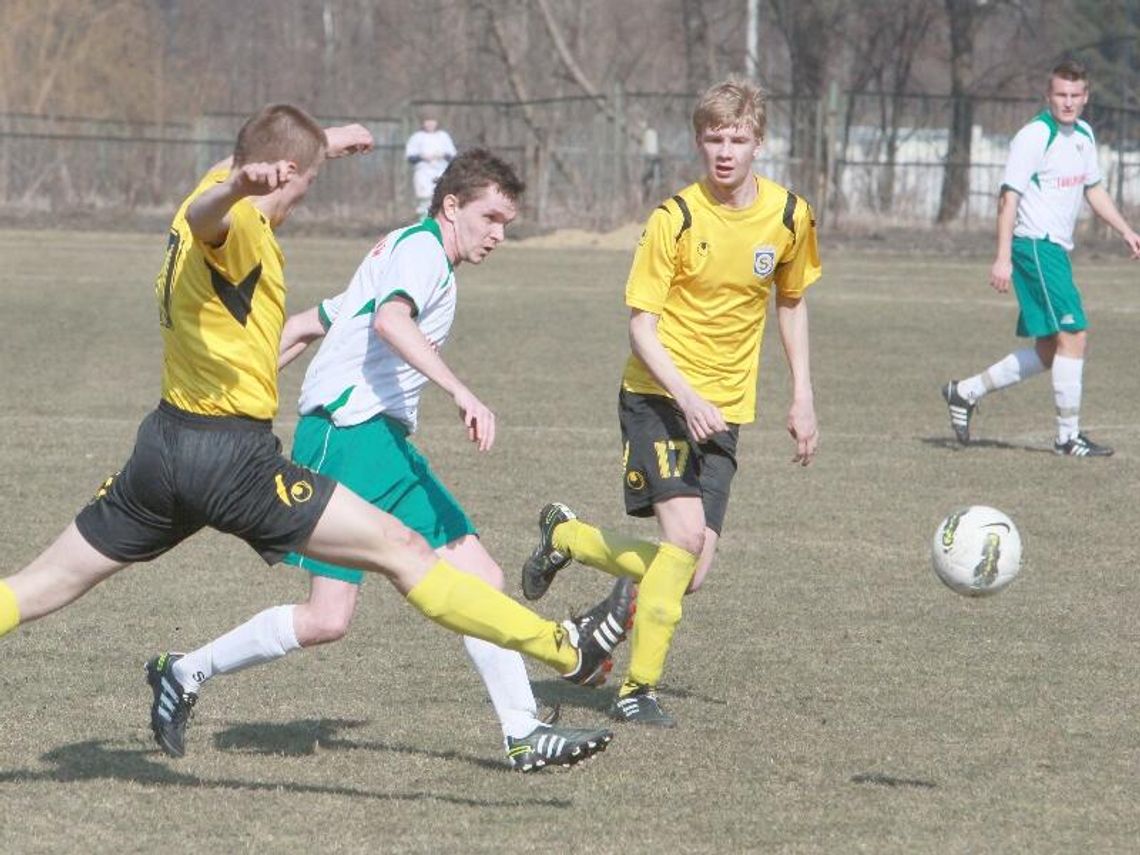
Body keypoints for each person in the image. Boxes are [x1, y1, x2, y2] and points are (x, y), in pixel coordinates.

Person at [0, 105, 633, 749]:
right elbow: (212, 220)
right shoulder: (238, 220)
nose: (300, 198)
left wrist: (317, 146)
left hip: (161, 448)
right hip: (240, 460)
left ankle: (523, 721)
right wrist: (243, 190)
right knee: (399, 561)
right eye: (301, 184)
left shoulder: (217, 191)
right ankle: (563, 649)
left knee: (36, 586)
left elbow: (294, 300)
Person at [147, 149, 632, 772]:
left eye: (507, 224)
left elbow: (310, 323)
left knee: (387, 601)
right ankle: (184, 672)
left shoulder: (399, 248)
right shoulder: (423, 251)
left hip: (374, 440)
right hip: (351, 437)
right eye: (490, 218)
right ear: (451, 206)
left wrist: (233, 395)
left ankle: (521, 729)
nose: (499, 235)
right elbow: (389, 322)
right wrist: (461, 392)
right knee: (372, 605)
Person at [520, 78, 821, 727]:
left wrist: (802, 395)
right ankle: (635, 690)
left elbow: (790, 302)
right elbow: (640, 325)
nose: (725, 151)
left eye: (738, 139)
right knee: (683, 538)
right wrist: (685, 395)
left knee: (691, 571)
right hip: (658, 395)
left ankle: (566, 537)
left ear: (758, 143)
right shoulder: (675, 218)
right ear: (699, 141)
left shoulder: (790, 217)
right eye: (714, 138)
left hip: (727, 409)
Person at [943, 60, 1140, 456]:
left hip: (1055, 250)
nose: (1067, 102)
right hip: (1034, 245)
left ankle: (964, 392)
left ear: (1085, 97)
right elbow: (1008, 197)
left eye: (1074, 95)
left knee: (1051, 350)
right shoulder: (1034, 136)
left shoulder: (1083, 134)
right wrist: (1002, 257)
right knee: (1075, 335)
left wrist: (1126, 230)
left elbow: (1094, 189)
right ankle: (1067, 438)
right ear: (1047, 96)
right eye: (1060, 95)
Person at [405, 111, 457, 218]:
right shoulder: (417, 137)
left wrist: (442, 155)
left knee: (442, 198)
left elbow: (452, 156)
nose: (430, 124)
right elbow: (410, 157)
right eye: (427, 121)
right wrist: (423, 157)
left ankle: (441, 225)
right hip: (423, 172)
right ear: (423, 123)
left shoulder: (443, 136)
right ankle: (425, 224)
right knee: (425, 200)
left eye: (432, 121)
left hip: (440, 171)